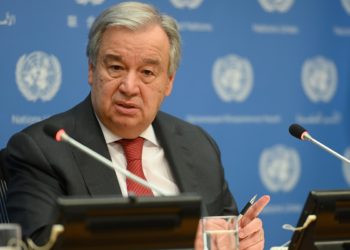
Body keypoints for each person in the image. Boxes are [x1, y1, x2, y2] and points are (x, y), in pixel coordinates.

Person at [4, 1, 270, 249]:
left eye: (147, 73)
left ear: (168, 82)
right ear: (91, 70)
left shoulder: (198, 143)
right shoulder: (41, 150)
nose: (129, 87)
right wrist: (174, 238)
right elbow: (39, 244)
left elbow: (223, 227)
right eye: (116, 67)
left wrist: (240, 238)